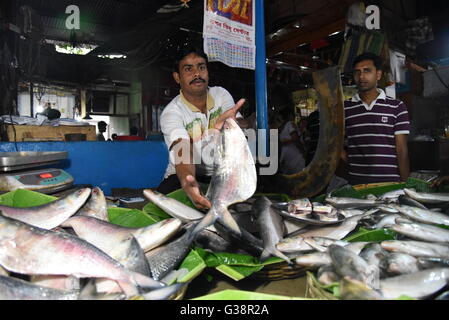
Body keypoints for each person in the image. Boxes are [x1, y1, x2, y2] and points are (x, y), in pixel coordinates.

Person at [157, 46, 252, 209]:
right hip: (183, 174)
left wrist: (233, 123)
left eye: (201, 67)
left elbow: (242, 125)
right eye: (188, 69)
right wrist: (189, 183)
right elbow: (182, 147)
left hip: (220, 173)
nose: (197, 74)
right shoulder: (172, 113)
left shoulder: (220, 94)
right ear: (177, 77)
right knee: (167, 204)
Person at [342, 52, 411, 185]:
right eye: (357, 72)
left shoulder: (397, 106)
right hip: (357, 184)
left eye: (367, 71)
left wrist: (405, 184)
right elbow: (337, 145)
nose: (361, 76)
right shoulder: (345, 108)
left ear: (378, 75)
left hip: (390, 184)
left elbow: (402, 150)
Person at [278, 107, 305, 175]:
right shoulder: (290, 124)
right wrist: (303, 151)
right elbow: (295, 138)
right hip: (295, 155)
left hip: (287, 156)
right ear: (289, 115)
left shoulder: (282, 127)